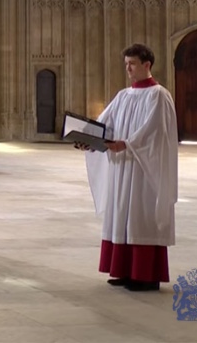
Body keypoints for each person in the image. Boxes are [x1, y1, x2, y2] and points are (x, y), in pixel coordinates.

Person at [79, 43, 178, 292]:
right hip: (122, 168)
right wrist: (87, 139)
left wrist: (128, 144)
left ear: (147, 65)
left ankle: (145, 275)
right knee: (121, 214)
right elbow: (104, 123)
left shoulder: (159, 95)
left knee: (140, 217)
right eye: (126, 64)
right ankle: (124, 270)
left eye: (132, 64)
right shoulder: (123, 96)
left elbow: (156, 131)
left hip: (144, 170)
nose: (128, 69)